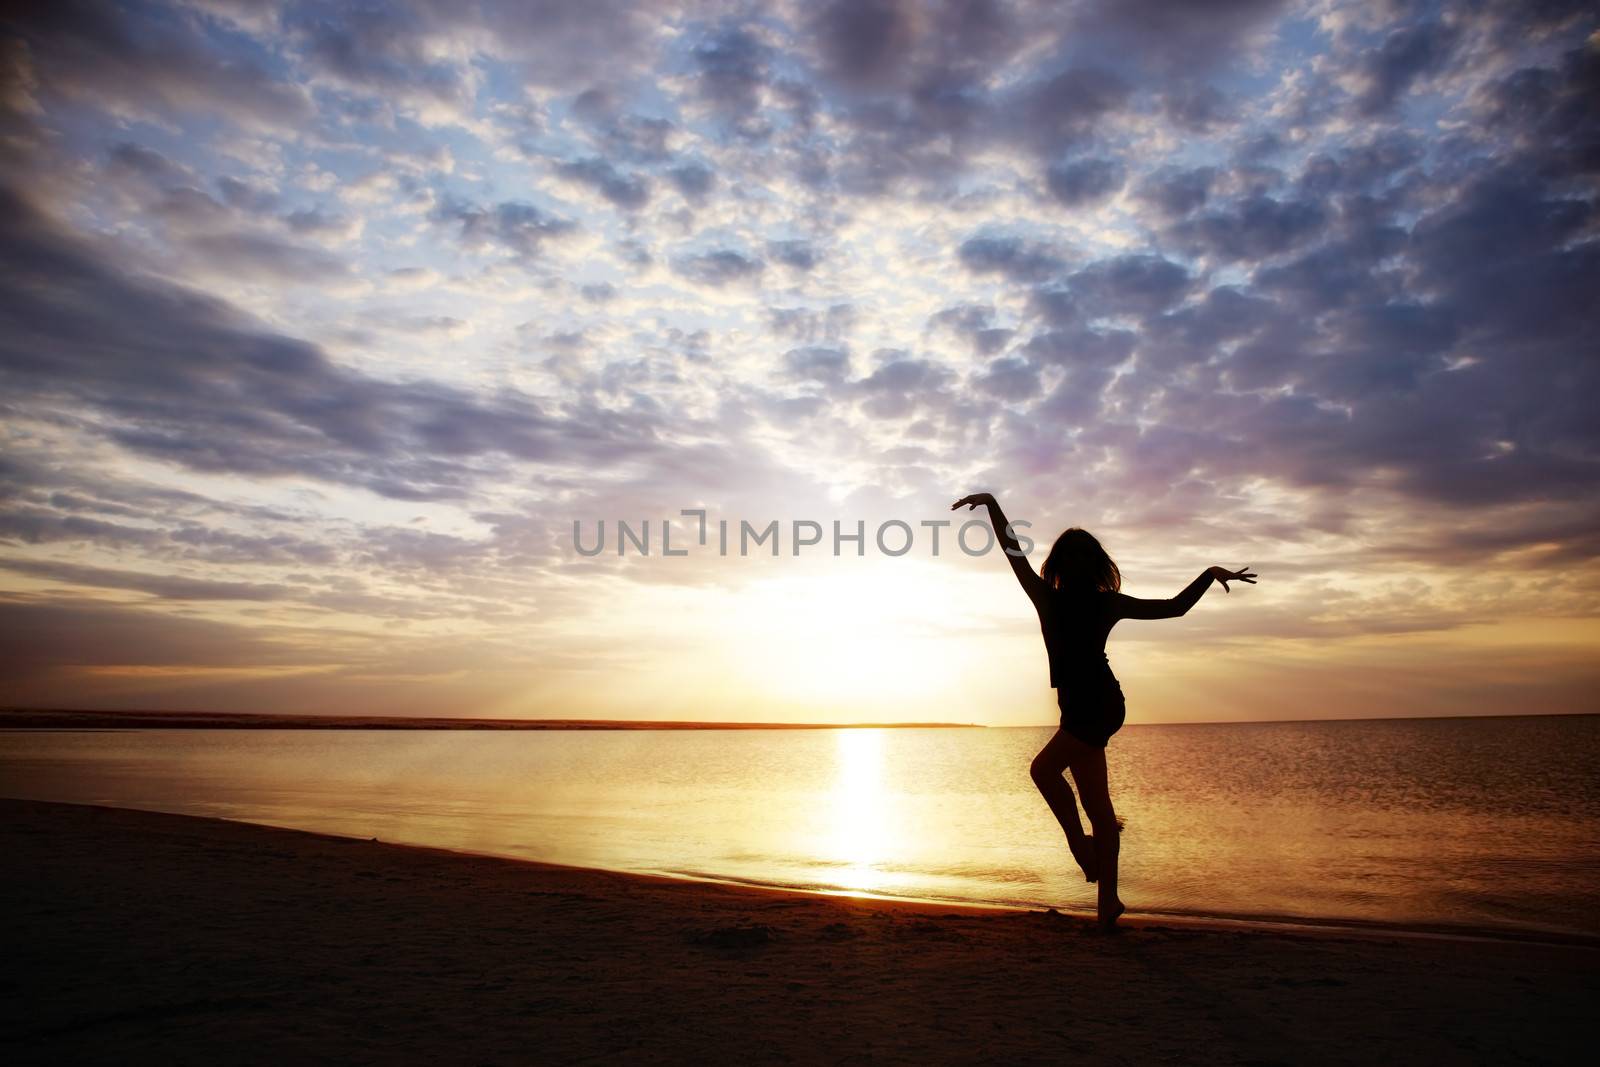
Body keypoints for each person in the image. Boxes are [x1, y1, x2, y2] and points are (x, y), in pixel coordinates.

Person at [951, 492, 1256, 928]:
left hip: (1092, 705)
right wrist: (1208, 574)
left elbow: (1013, 549)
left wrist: (992, 505)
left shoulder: (1050, 597)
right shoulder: (1084, 601)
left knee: (1043, 771)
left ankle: (1082, 851)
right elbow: (1174, 607)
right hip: (1093, 705)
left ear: (1061, 565)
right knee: (1099, 807)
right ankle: (1107, 901)